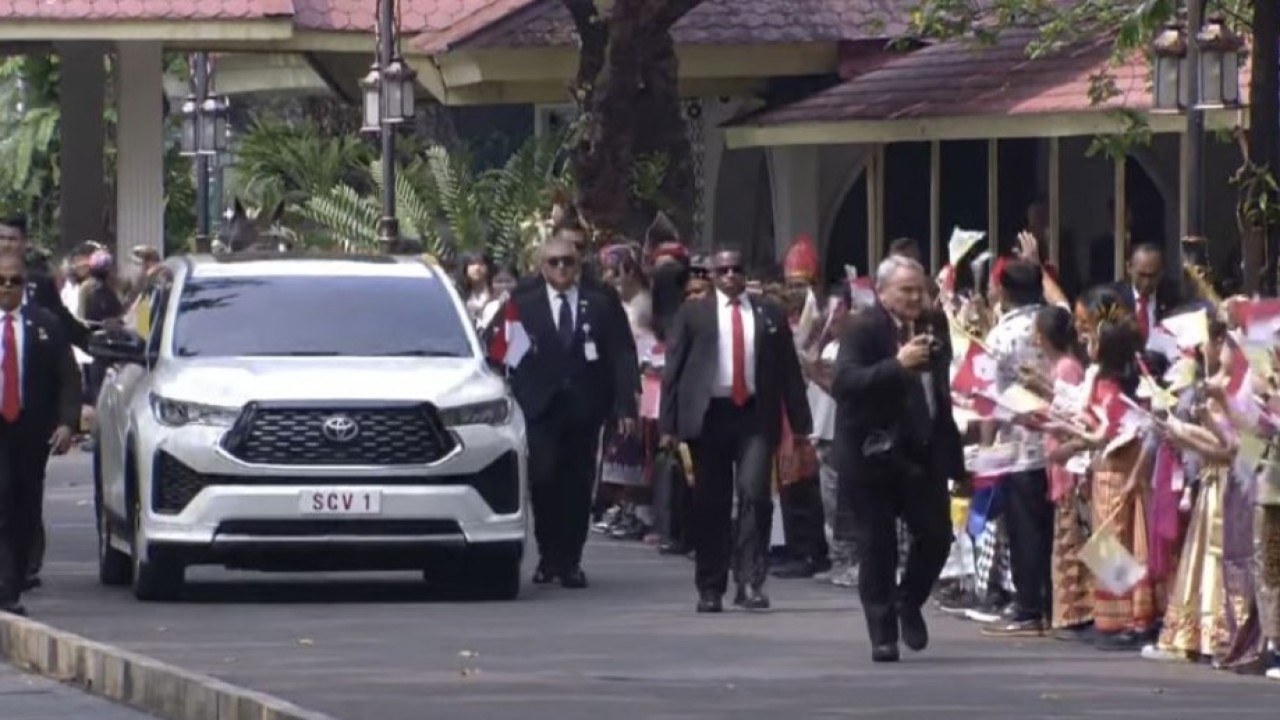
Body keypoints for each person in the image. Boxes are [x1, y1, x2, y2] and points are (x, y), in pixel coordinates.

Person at [660, 248, 811, 613]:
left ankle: (750, 581)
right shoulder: (694, 313)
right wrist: (669, 425)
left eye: (736, 269)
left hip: (755, 415)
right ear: (712, 275)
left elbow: (788, 370)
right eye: (722, 270)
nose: (730, 275)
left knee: (755, 495)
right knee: (710, 502)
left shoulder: (767, 313)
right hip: (710, 415)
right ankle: (710, 586)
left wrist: (801, 424)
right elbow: (673, 371)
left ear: (745, 274)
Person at [831, 254, 963, 662]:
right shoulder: (863, 329)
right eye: (906, 290)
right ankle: (882, 632)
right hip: (872, 452)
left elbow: (940, 392)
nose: (915, 297)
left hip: (920, 450)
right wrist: (896, 365)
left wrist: (952, 459)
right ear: (883, 292)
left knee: (937, 535)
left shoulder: (933, 324)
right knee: (877, 545)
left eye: (920, 289)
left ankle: (910, 601)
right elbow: (845, 383)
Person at [501, 232, 638, 589]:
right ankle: (548, 556)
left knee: (577, 485)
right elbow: (500, 351)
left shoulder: (600, 300)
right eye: (554, 262)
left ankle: (571, 560)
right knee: (544, 481)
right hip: (540, 407)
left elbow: (621, 354)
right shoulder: (523, 301)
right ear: (541, 266)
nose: (562, 268)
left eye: (568, 261)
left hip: (585, 404)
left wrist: (625, 404)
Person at [0, 251, 80, 615]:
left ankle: (13, 584)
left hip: (30, 431)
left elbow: (67, 376)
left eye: (14, 281)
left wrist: (66, 422)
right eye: (1, 280)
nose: (7, 288)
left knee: (24, 505)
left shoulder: (43, 324)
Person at [1113, 244, 1179, 340]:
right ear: (1129, 268)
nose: (1147, 282)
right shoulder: (1114, 297)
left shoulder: (1173, 299)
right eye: (1141, 275)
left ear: (1162, 272)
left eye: (1152, 276)